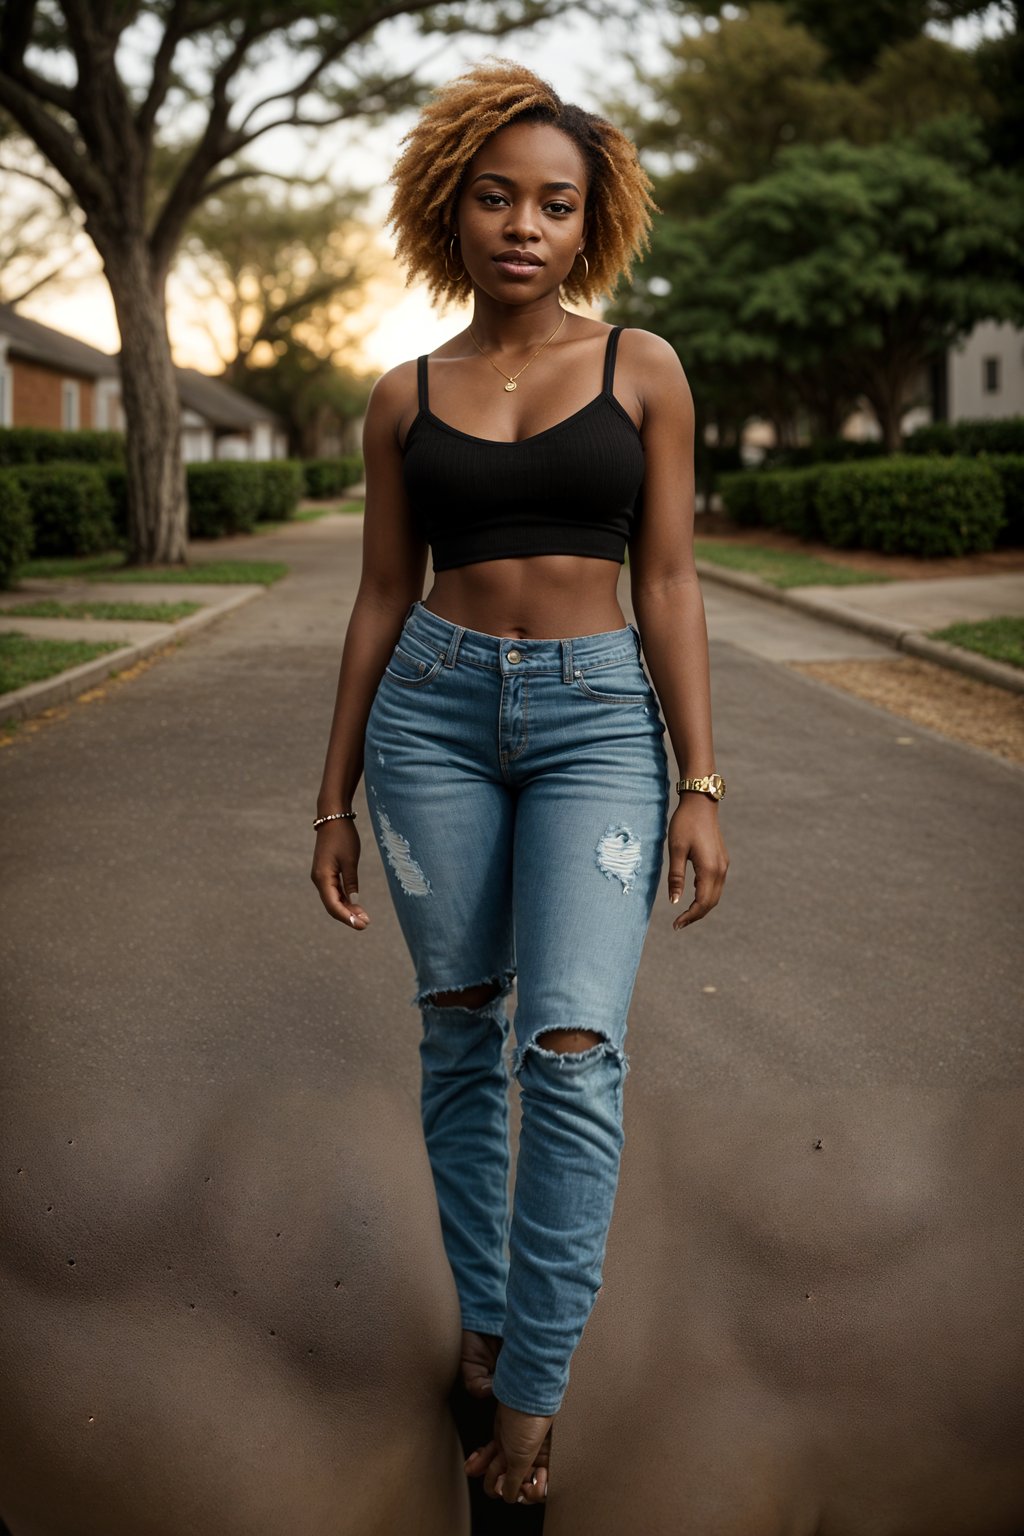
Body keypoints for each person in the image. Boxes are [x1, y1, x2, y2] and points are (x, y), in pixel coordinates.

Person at [311, 58, 729, 1509]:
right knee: (458, 1035)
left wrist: (702, 779)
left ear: (590, 223)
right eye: (497, 197)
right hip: (429, 718)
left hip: (600, 725)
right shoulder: (401, 394)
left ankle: (531, 1399)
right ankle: (483, 1328)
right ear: (453, 209)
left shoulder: (643, 368)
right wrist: (332, 794)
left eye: (556, 203)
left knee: (573, 1053)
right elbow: (378, 597)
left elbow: (669, 578)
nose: (525, 226)